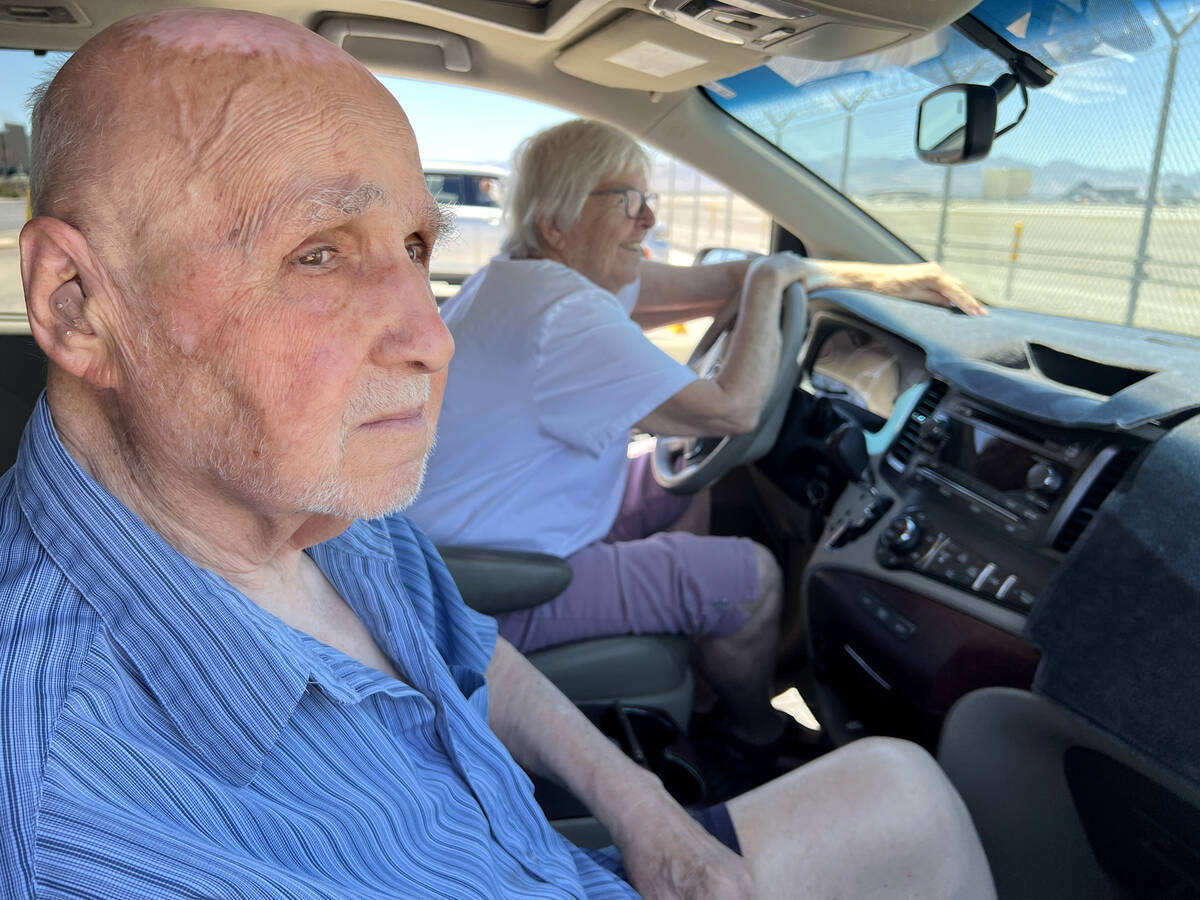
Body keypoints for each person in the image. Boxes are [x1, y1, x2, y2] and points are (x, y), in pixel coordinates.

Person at [1, 9, 995, 898]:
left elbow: (472, 650)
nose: (428, 340)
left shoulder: (302, 500)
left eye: (416, 248)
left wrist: (645, 815)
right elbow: (728, 408)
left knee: (905, 792)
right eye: (319, 252)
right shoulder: (75, 821)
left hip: (548, 855)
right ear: (76, 304)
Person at [406, 118, 986, 765]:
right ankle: (751, 736)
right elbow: (732, 410)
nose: (649, 218)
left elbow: (715, 283)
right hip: (494, 592)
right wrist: (769, 285)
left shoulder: (516, 278)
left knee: (682, 478)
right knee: (756, 578)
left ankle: (707, 666)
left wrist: (893, 281)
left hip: (467, 552)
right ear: (556, 222)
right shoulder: (567, 315)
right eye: (628, 200)